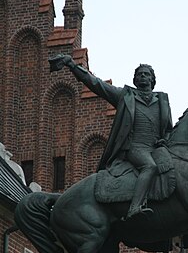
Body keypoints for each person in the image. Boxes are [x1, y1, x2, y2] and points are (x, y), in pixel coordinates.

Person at [50, 55, 173, 219]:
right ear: (135, 80)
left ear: (152, 79)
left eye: (146, 74)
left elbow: (168, 129)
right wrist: (72, 65)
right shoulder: (126, 96)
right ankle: (135, 207)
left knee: (180, 170)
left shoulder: (162, 100)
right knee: (150, 167)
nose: (143, 76)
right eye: (140, 74)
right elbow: (96, 84)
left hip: (156, 147)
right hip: (136, 147)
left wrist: (166, 139)